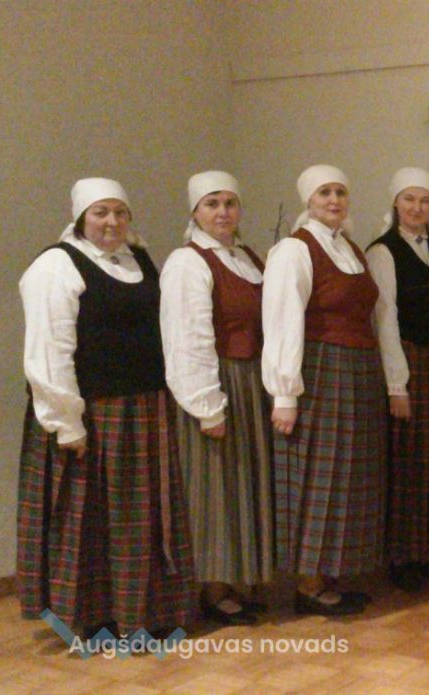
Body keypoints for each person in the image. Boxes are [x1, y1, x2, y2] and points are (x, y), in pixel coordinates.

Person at [18, 178, 194, 637]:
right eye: (101, 213)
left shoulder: (139, 259)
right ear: (81, 218)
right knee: (91, 522)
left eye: (120, 212)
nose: (112, 222)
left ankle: (142, 612)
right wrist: (66, 422)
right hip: (92, 413)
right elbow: (49, 349)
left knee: (138, 520)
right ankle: (93, 617)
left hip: (144, 407)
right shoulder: (57, 265)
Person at [262, 164, 386, 615]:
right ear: (308, 201)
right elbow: (282, 321)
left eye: (340, 192)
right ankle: (307, 583)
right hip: (320, 371)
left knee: (349, 477)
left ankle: (332, 573)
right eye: (324, 193)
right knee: (318, 476)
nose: (334, 200)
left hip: (358, 370)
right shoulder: (295, 249)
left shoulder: (349, 248)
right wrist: (284, 395)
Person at [161, 171, 272, 625]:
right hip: (218, 380)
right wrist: (207, 405)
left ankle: (236, 581)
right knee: (215, 487)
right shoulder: (187, 262)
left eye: (230, 203)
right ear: (195, 212)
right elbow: (187, 338)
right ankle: (212, 589)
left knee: (242, 482)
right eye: (212, 204)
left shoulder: (246, 256)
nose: (223, 212)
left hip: (251, 380)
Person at [366, 167, 429, 591]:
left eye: (425, 200)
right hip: (408, 359)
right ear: (396, 203)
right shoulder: (383, 251)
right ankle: (402, 556)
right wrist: (397, 385)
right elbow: (385, 319)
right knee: (408, 460)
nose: (417, 207)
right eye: (409, 199)